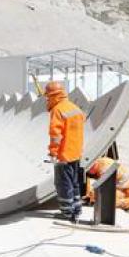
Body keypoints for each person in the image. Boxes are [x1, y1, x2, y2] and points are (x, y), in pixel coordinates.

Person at [45, 81, 85, 221]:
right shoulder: (75, 108)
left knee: (63, 184)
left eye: (47, 97)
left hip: (63, 155)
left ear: (53, 96)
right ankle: (77, 209)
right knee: (74, 183)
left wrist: (53, 152)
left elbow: (55, 135)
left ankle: (67, 213)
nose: (47, 100)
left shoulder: (58, 110)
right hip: (76, 153)